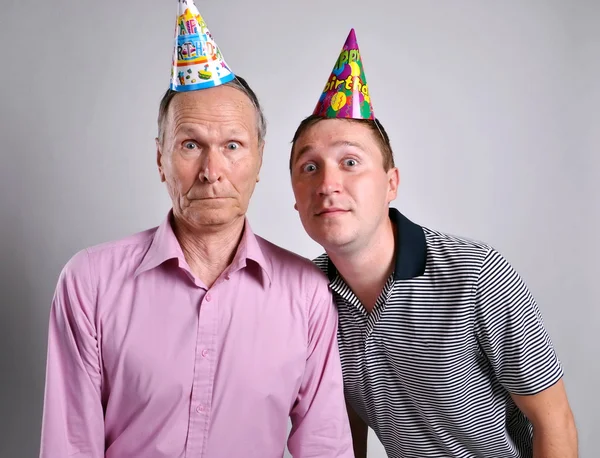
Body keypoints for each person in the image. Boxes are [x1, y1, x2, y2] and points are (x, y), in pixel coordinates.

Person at [39, 3, 353, 457]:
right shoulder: (90, 283)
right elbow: (69, 446)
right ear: (160, 159)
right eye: (190, 145)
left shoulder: (305, 293)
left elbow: (325, 447)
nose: (212, 170)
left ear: (260, 159)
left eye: (232, 145)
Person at [289, 28, 578, 458]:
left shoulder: (475, 273)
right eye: (310, 167)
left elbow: (554, 422)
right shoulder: (309, 294)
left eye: (350, 162)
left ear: (392, 184)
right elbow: (344, 434)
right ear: (294, 200)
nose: (328, 184)